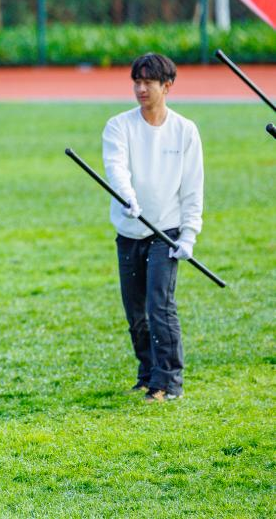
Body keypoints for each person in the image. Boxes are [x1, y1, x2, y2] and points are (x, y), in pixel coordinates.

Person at [102, 53, 202, 403]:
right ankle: (147, 373)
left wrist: (189, 234)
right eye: (137, 82)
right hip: (130, 231)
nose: (141, 89)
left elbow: (192, 187)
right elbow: (115, 166)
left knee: (160, 306)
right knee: (136, 313)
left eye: (149, 82)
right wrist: (126, 195)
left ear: (167, 86)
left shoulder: (185, 131)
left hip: (166, 232)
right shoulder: (118, 126)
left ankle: (168, 381)